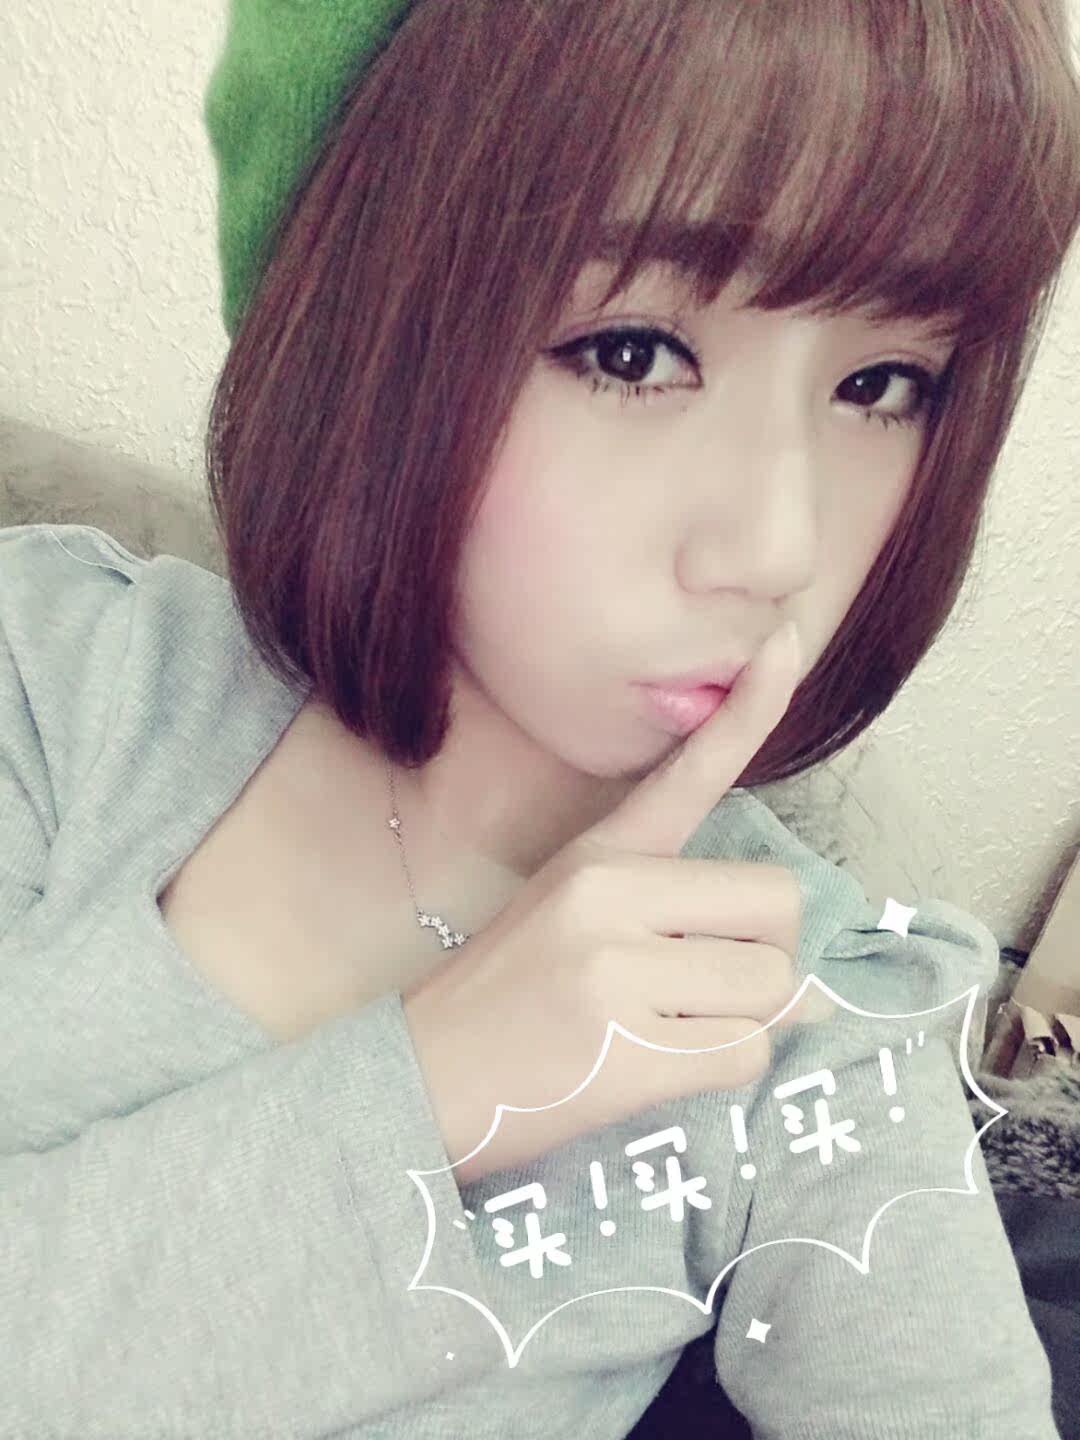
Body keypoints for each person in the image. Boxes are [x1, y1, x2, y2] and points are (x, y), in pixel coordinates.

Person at [2, 1, 1078, 1435]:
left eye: (883, 386)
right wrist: (435, 1085)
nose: (778, 545)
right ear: (358, 328)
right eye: (633, 354)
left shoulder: (813, 1017)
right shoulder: (54, 682)